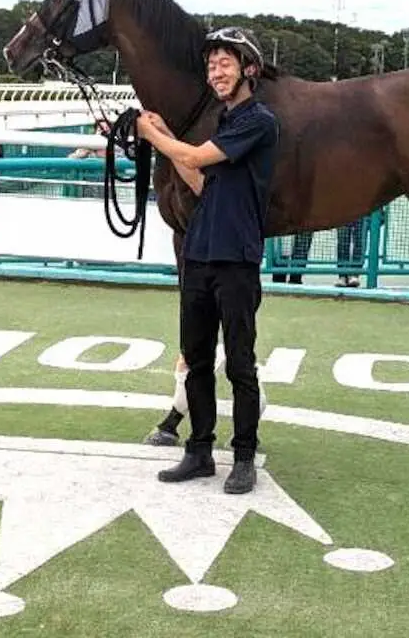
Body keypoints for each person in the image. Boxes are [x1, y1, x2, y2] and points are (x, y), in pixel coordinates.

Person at [135, 26, 279, 495]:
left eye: (225, 64)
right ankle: (198, 451)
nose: (216, 72)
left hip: (236, 258)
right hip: (199, 253)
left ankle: (242, 455)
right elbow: (201, 182)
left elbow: (195, 157)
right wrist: (164, 135)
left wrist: (155, 136)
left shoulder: (258, 121)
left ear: (248, 70)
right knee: (196, 360)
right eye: (211, 65)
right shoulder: (225, 122)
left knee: (240, 363)